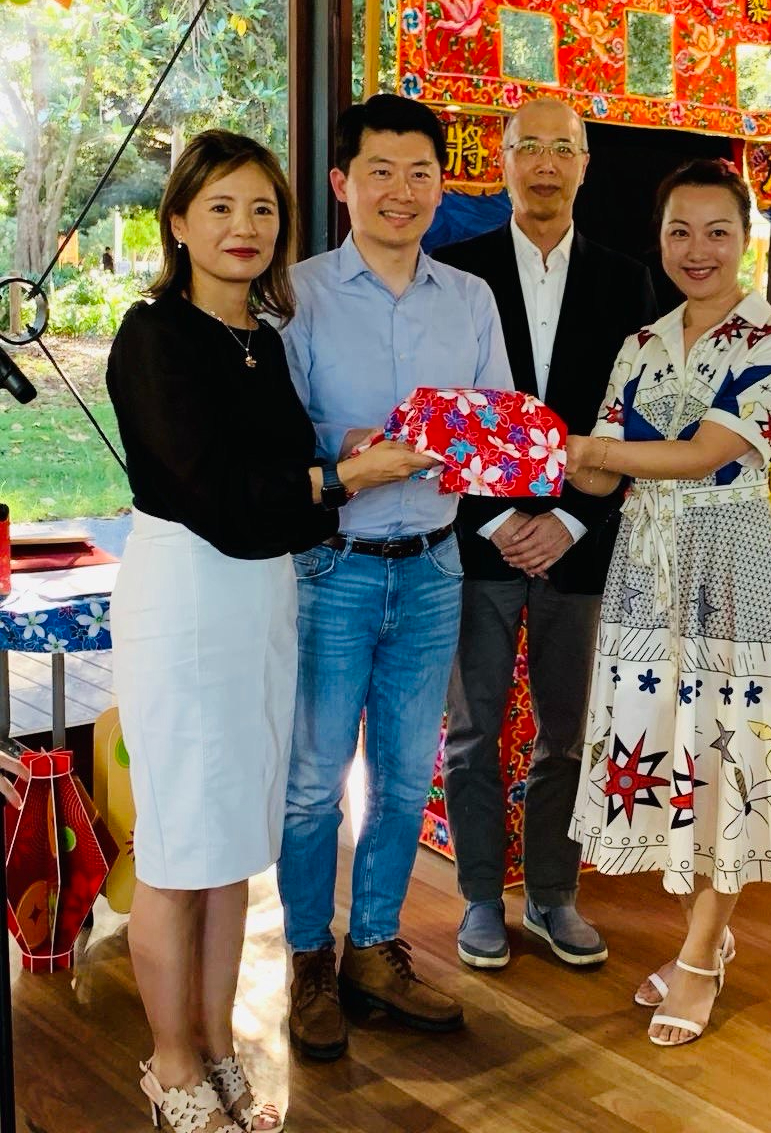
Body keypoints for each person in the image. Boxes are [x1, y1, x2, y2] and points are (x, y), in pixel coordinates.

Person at [107, 130, 432, 1133]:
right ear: (177, 222)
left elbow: (283, 474)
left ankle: (215, 1043)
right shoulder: (155, 334)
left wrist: (346, 454)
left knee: (229, 853)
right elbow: (220, 494)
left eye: (262, 210)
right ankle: (169, 1063)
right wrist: (345, 477)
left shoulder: (263, 336)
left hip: (263, 599)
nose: (244, 228)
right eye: (220, 207)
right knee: (178, 853)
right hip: (187, 598)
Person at [278, 94, 512, 1061]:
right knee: (312, 783)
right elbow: (274, 439)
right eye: (380, 171)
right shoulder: (294, 295)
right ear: (343, 183)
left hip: (433, 568)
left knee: (408, 776)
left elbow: (498, 427)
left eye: (421, 173)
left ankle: (374, 949)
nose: (401, 191)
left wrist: (476, 448)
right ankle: (306, 958)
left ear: (442, 186)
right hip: (330, 567)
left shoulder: (470, 299)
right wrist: (351, 448)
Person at [564, 157, 771, 1047]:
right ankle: (706, 934)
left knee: (726, 759)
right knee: (669, 753)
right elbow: (600, 472)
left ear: (748, 240)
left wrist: (590, 451)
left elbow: (705, 452)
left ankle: (701, 958)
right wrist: (531, 451)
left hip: (733, 570)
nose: (697, 249)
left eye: (717, 231)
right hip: (645, 569)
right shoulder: (641, 343)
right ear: (659, 239)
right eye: (679, 231)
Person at [432, 99, 661, 970]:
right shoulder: (456, 274)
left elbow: (639, 421)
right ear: (500, 159)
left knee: (566, 732)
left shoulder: (628, 281)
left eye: (563, 148)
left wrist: (568, 520)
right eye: (528, 146)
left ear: (585, 164)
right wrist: (498, 519)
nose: (545, 164)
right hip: (477, 539)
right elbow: (444, 419)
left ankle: (553, 895)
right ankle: (480, 898)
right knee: (472, 731)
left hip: (580, 543)